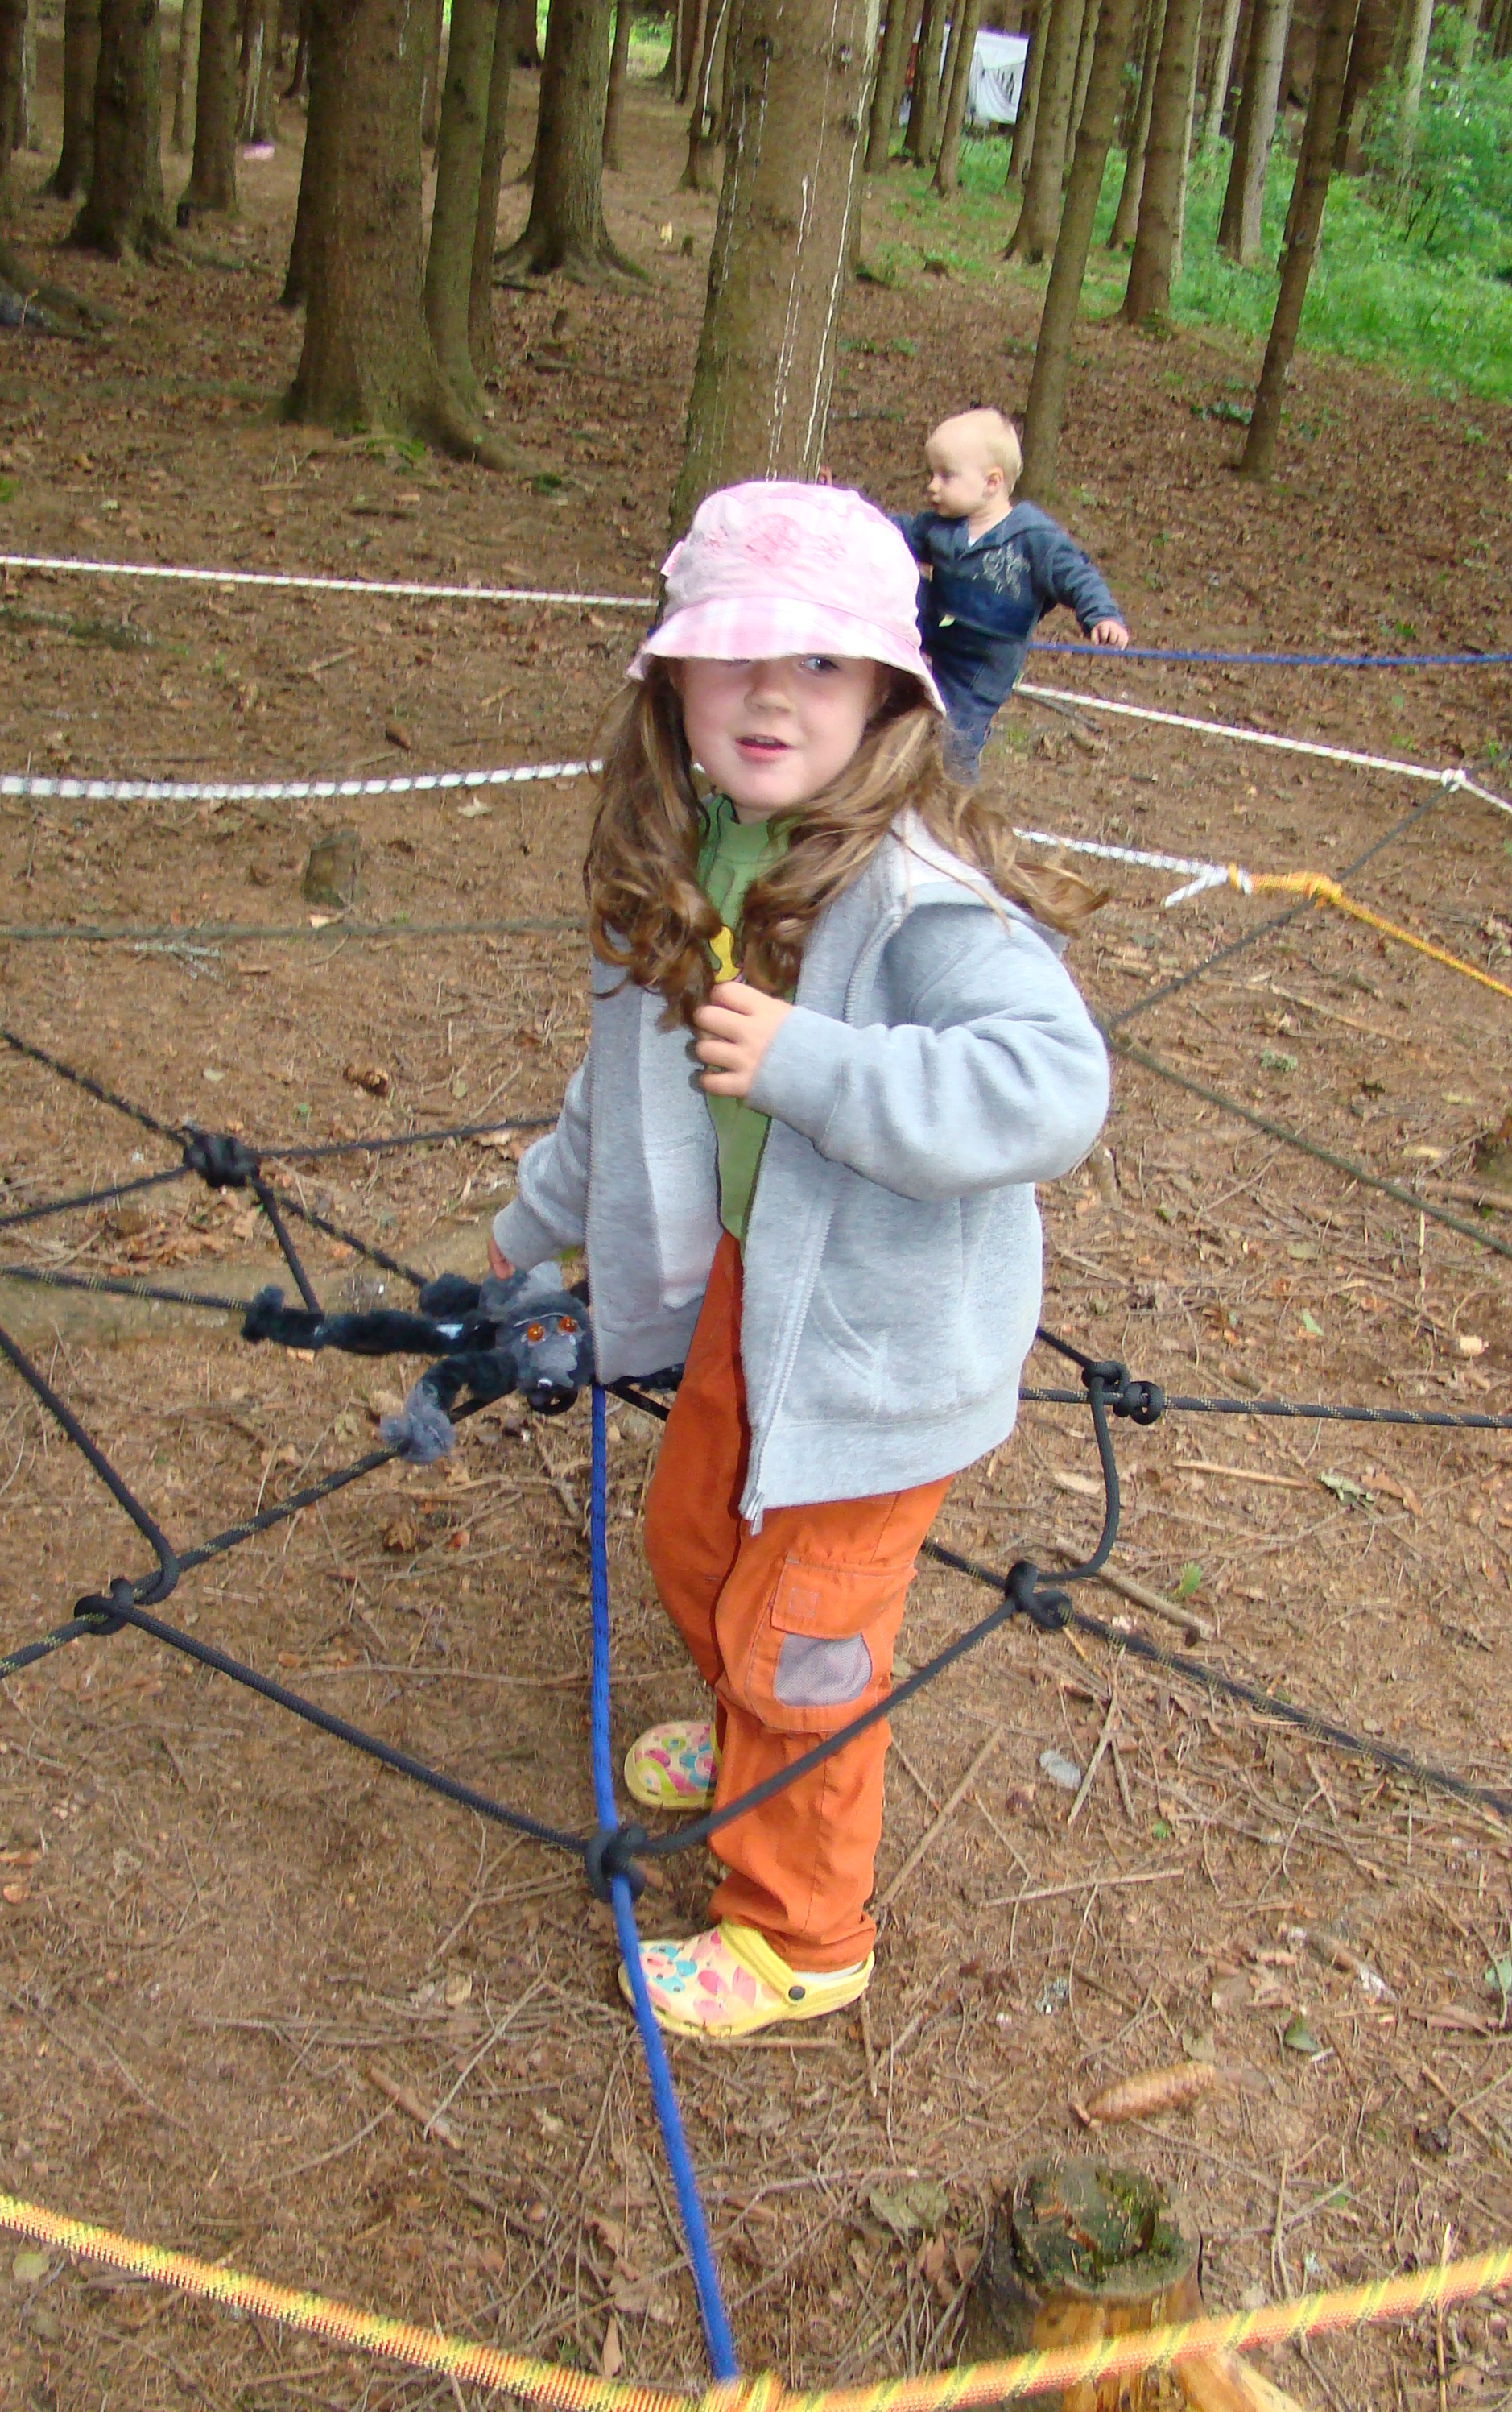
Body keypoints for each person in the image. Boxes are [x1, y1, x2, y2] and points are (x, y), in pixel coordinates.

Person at [487, 481, 1109, 2042]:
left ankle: (800, 1934)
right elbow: (614, 1096)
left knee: (806, 1640)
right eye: (733, 654)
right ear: (671, 682)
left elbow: (1052, 1088)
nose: (771, 692)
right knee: (696, 1541)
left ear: (890, 692)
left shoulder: (915, 895)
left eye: (820, 661)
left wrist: (812, 1064)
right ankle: (745, 1737)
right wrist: (523, 1231)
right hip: (751, 1291)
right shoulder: (692, 852)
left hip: (880, 1346)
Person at [893, 406, 1130, 783]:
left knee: (955, 741)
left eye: (946, 475)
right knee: (894, 578)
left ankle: (957, 804)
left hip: (981, 665)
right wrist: (846, 513)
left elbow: (1077, 575)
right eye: (931, 474)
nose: (932, 486)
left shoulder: (1033, 537)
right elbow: (891, 533)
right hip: (939, 624)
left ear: (992, 482)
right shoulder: (941, 526)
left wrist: (1102, 615)